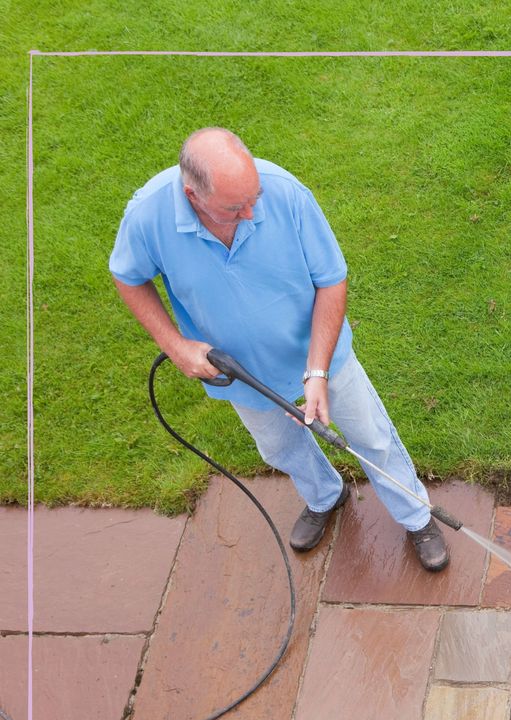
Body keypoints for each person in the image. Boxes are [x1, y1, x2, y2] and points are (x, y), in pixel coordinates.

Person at [109, 127, 449, 571]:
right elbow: (128, 277)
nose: (251, 213)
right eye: (235, 207)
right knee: (280, 449)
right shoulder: (147, 218)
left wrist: (317, 371)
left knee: (371, 436)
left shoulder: (286, 195)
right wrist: (175, 346)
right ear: (193, 195)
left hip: (318, 352)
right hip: (241, 371)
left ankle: (416, 516)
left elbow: (331, 279)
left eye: (255, 196)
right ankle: (325, 495)